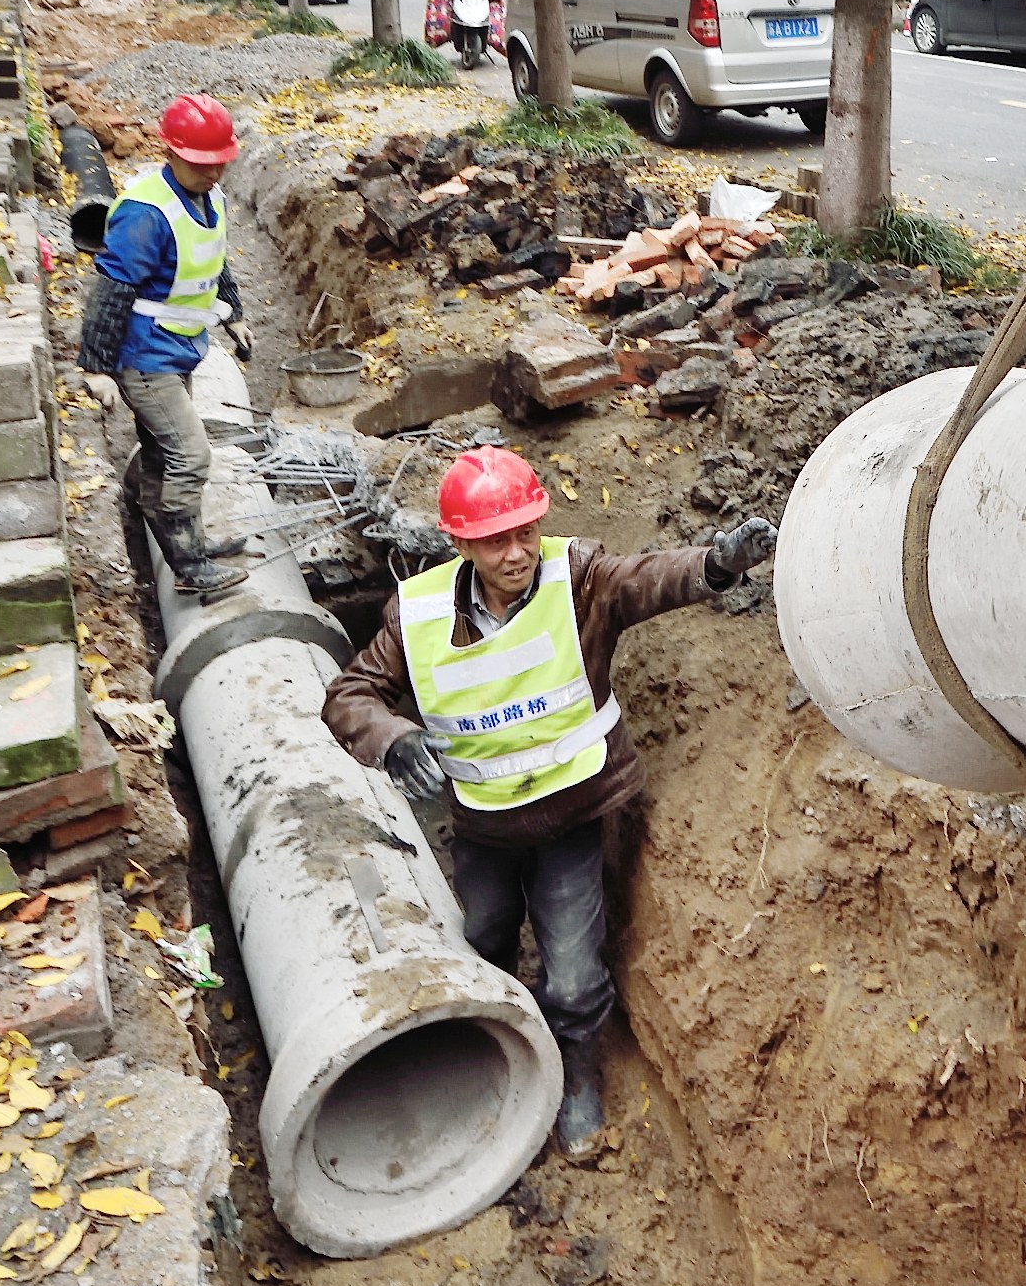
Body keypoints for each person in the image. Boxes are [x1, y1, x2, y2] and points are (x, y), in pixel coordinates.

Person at [322, 446, 777, 1161]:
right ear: (460, 543)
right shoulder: (419, 615)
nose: (517, 553)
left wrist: (715, 565)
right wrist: (395, 739)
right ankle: (487, 1047)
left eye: (526, 532)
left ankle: (575, 1074)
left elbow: (646, 579)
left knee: (571, 969)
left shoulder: (580, 580)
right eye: (496, 539)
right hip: (481, 826)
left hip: (570, 819)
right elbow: (351, 693)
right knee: (487, 936)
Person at [79, 93, 257, 596]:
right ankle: (188, 565)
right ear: (172, 152)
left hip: (179, 348)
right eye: (203, 164)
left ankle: (188, 540)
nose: (214, 173)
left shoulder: (209, 198)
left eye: (220, 163)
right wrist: (95, 366)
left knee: (162, 453)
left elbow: (214, 261)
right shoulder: (145, 213)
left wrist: (234, 315)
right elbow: (112, 288)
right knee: (191, 453)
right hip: (143, 356)